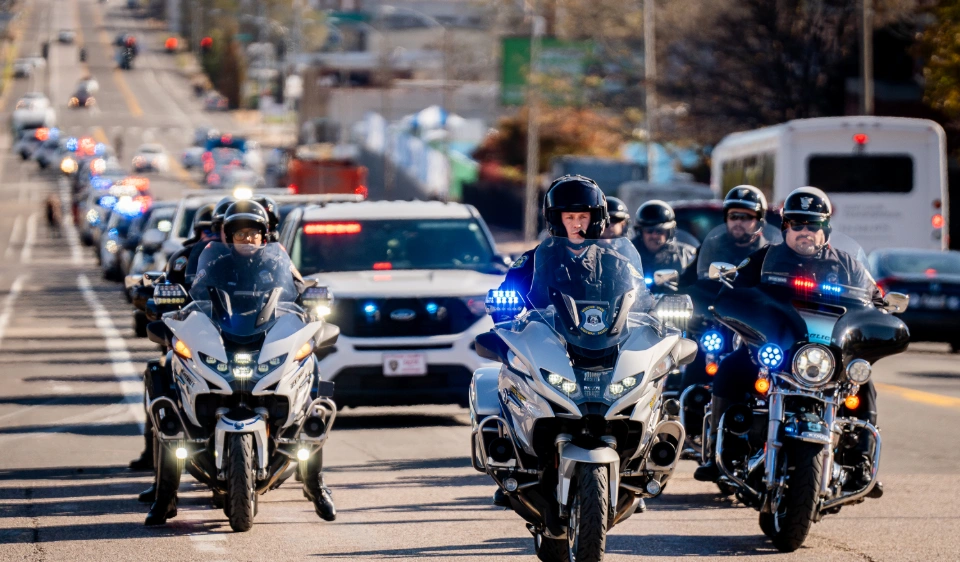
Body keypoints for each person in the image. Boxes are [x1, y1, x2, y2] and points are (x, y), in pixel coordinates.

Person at [693, 187, 883, 499]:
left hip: (826, 356)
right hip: (775, 351)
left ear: (825, 230)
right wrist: (727, 290)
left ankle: (861, 460)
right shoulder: (765, 258)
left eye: (813, 225)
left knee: (863, 382)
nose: (805, 232)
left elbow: (874, 298)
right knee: (730, 367)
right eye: (797, 224)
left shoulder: (848, 265)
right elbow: (736, 287)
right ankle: (720, 449)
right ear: (786, 228)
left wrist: (882, 305)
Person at [493, 175, 608, 321]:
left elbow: (639, 308)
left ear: (596, 220)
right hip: (543, 341)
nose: (577, 225)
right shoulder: (532, 262)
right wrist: (503, 316)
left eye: (583, 217)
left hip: (603, 341)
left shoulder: (615, 263)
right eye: (569, 217)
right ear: (555, 220)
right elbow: (504, 303)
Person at [630, 200, 697, 277]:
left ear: (669, 232)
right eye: (649, 231)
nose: (654, 236)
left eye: (659, 231)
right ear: (640, 232)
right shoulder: (628, 255)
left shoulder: (686, 256)